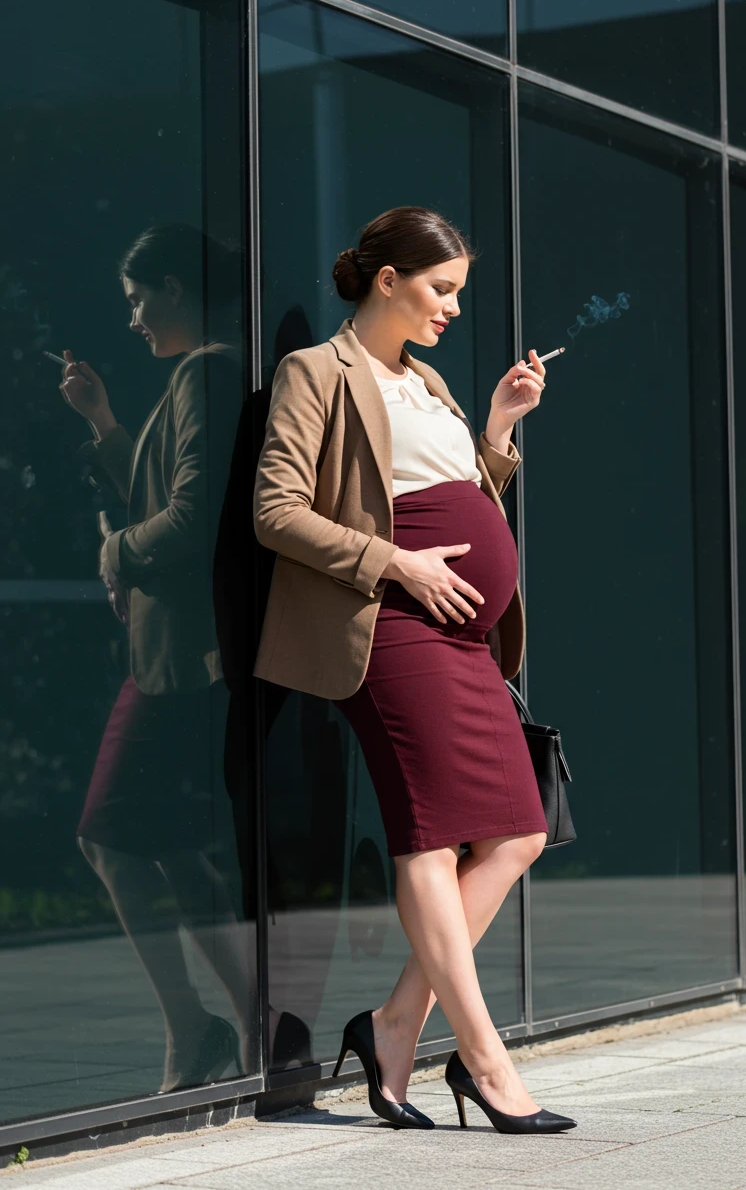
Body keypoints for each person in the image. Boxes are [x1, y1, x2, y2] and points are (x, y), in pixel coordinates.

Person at [253, 205, 576, 1134]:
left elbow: (455, 490)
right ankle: (482, 1060)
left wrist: (500, 432)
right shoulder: (316, 371)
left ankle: (395, 1024)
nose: (453, 310)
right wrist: (397, 565)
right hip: (390, 629)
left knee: (515, 832)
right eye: (442, 290)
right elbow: (277, 511)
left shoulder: (426, 379)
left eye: (459, 294)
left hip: (465, 637)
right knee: (431, 839)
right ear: (386, 278)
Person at [58, 222, 252, 1094]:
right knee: (168, 844)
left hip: (180, 663)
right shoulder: (200, 378)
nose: (134, 319)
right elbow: (167, 488)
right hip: (182, 656)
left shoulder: (206, 375)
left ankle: (203, 1027)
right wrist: (102, 422)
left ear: (174, 288)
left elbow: (190, 517)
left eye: (140, 301)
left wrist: (113, 555)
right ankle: (252, 1023)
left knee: (107, 834)